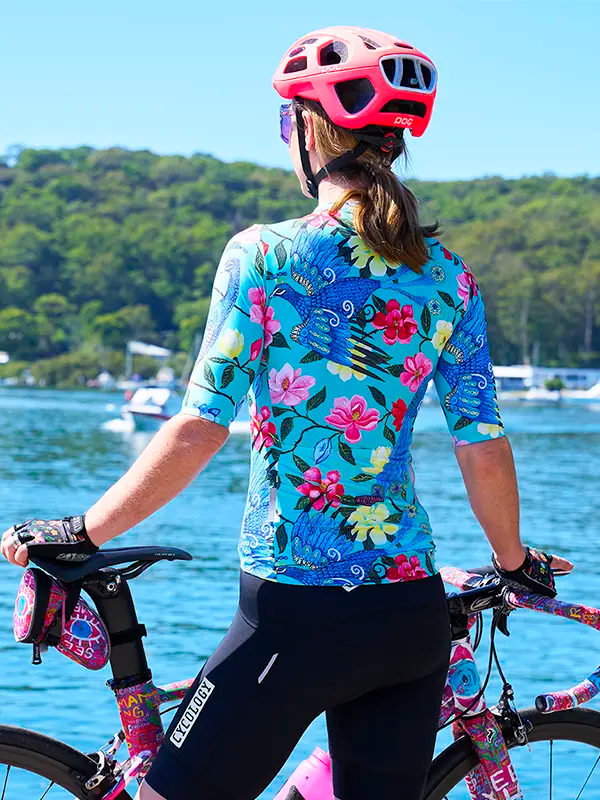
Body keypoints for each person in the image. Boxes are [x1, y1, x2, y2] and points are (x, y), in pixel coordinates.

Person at [1, 25, 572, 800]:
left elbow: (201, 425)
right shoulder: (448, 278)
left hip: (296, 614)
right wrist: (513, 561)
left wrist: (83, 532)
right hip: (410, 619)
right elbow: (482, 441)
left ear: (309, 127)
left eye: (286, 123)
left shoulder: (265, 256)